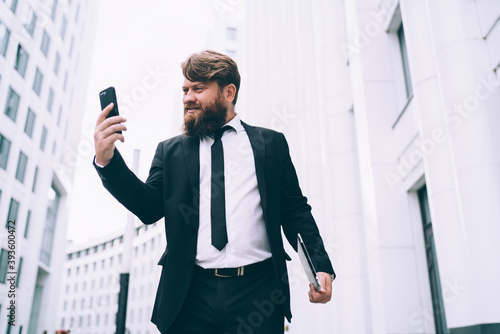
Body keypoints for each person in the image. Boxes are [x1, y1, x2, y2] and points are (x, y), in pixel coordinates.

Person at [93, 50, 335, 334]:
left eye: (198, 88)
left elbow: (294, 210)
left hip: (258, 291)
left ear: (228, 92)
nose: (187, 98)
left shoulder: (270, 144)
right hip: (190, 294)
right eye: (185, 90)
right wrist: (108, 162)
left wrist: (321, 265)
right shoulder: (169, 151)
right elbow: (149, 209)